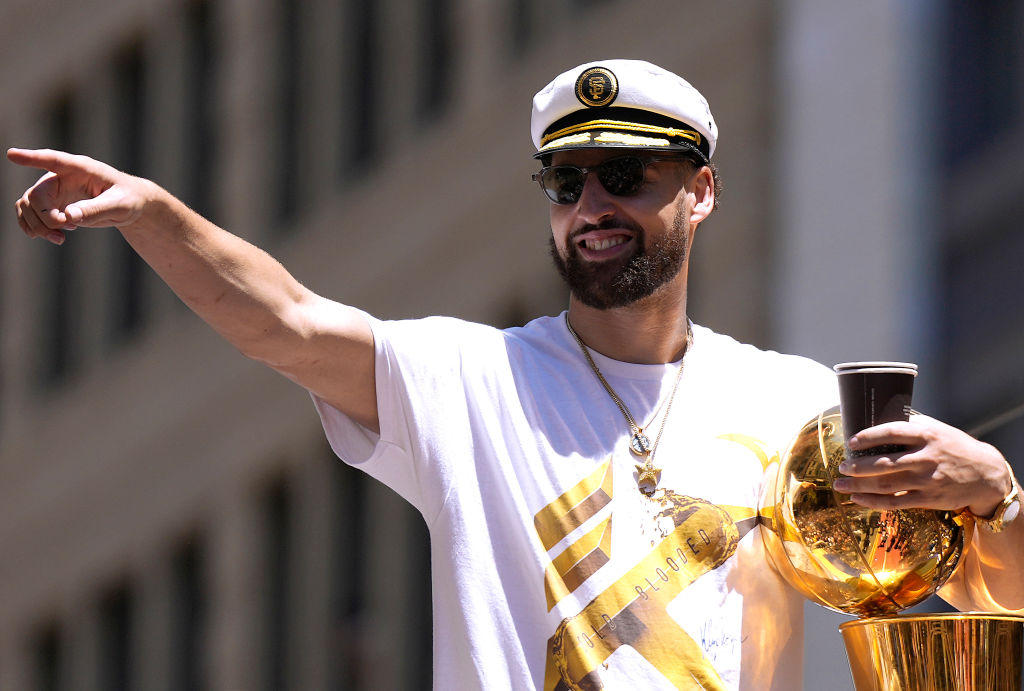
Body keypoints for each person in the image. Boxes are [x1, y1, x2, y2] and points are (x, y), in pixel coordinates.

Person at [10, 59, 1022, 690]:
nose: (590, 205)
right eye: (565, 182)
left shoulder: (794, 402)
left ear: (701, 190)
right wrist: (152, 213)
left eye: (624, 175)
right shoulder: (468, 376)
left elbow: (987, 600)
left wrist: (997, 494)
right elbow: (282, 319)